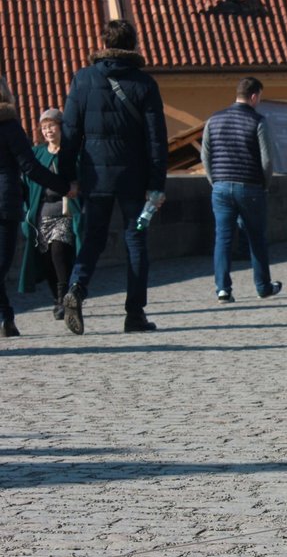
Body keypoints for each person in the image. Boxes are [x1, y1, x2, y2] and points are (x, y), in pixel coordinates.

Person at [58, 19, 168, 335]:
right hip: (135, 181)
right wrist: (157, 184)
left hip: (95, 178)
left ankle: (76, 288)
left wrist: (68, 178)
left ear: (103, 42)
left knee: (93, 237)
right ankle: (134, 313)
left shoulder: (83, 80)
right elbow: (156, 140)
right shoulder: (145, 84)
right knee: (136, 239)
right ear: (133, 45)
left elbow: (69, 133)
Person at [0, 77, 72, 336]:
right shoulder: (9, 127)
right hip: (5, 203)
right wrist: (64, 187)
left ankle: (5, 318)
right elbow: (30, 167)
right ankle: (5, 318)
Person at [201, 77, 282, 304]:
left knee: (223, 238)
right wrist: (264, 184)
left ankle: (223, 289)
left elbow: (205, 155)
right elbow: (266, 160)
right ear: (254, 96)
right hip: (250, 187)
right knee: (256, 238)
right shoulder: (257, 121)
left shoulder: (213, 120)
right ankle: (263, 286)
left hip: (220, 186)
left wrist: (214, 180)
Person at [18, 109, 83, 320]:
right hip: (42, 212)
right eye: (44, 127)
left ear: (61, 127)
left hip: (65, 211)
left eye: (51, 126)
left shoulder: (72, 152)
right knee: (46, 258)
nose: (48, 131)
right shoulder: (38, 153)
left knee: (58, 253)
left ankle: (65, 297)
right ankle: (56, 298)